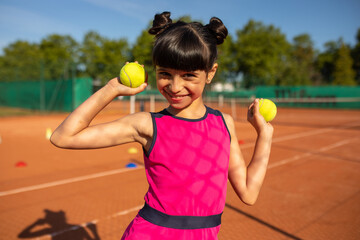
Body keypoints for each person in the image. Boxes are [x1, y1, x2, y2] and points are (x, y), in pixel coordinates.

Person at [51, 11, 273, 240]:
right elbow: (63, 137)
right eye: (165, 74)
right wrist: (112, 88)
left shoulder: (224, 124)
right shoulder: (147, 124)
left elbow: (248, 193)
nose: (175, 86)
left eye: (188, 75)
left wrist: (264, 135)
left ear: (210, 73)